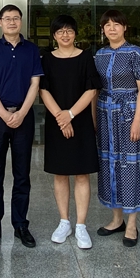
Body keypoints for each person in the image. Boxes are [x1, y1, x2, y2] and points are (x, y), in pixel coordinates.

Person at [0, 4, 43, 249]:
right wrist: (4, 114)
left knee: (22, 174)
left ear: (21, 21)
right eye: (7, 18)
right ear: (0, 22)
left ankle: (20, 225)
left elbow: (35, 84)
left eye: (16, 18)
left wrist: (21, 113)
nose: (11, 22)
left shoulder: (31, 50)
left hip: (24, 116)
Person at [39, 15, 101, 250]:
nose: (65, 35)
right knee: (60, 173)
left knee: (82, 174)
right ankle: (64, 222)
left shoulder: (86, 57)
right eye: (60, 31)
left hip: (81, 120)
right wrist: (61, 117)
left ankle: (81, 225)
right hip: (56, 122)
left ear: (75, 33)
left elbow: (91, 89)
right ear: (54, 35)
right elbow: (43, 90)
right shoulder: (47, 59)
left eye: (69, 31)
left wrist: (71, 115)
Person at [94, 10, 140, 248]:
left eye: (116, 24)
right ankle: (117, 219)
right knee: (109, 163)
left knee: (130, 164)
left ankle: (132, 224)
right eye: (107, 25)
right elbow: (95, 89)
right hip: (104, 113)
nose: (112, 28)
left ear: (125, 27)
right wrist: (94, 120)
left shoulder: (135, 52)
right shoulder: (99, 55)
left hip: (129, 114)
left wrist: (137, 120)